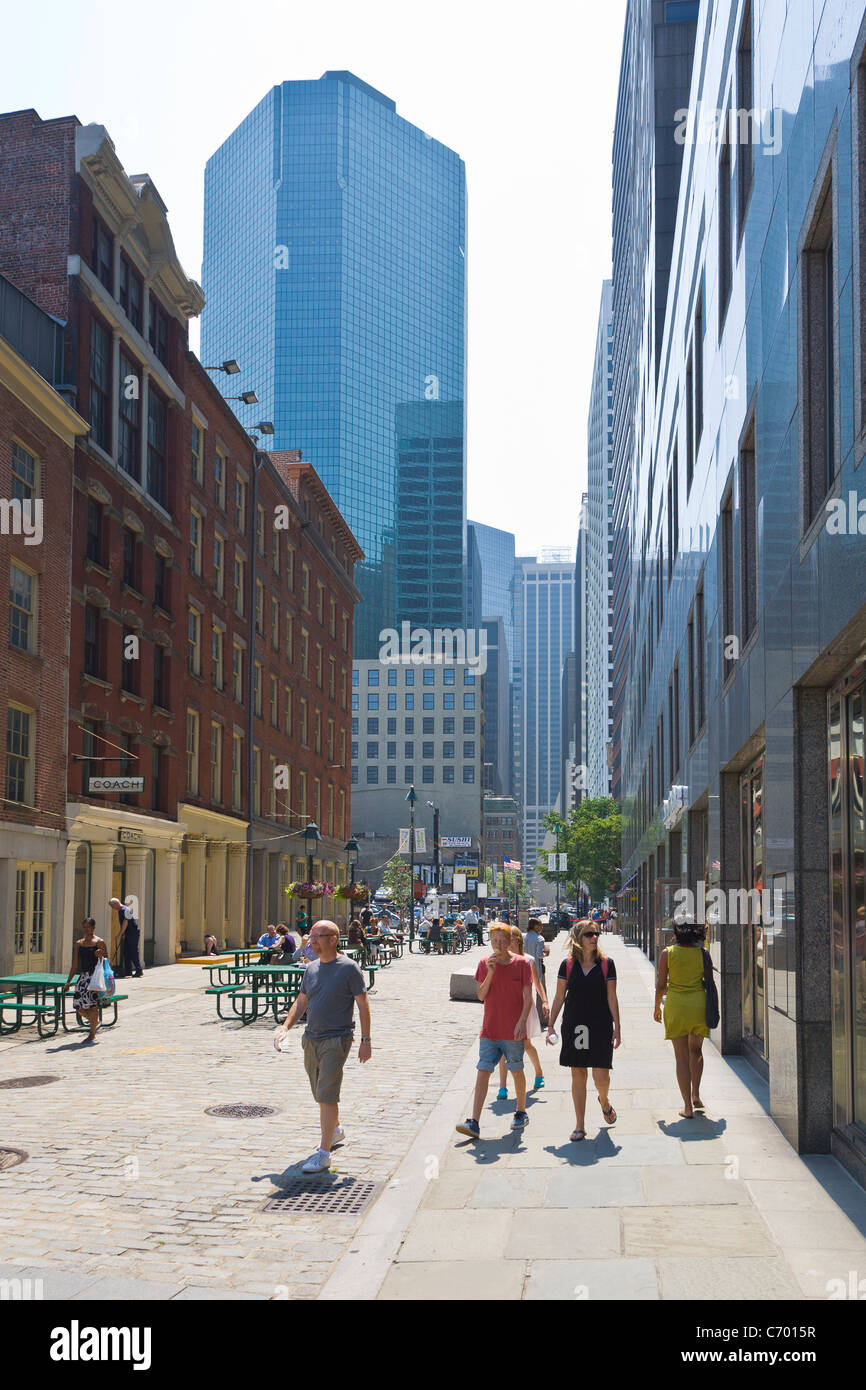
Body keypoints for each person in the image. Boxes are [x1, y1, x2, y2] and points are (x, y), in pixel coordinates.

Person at [273, 920, 371, 1175]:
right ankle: (335, 1130)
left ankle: (324, 1154)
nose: (312, 941)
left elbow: (362, 1004)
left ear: (333, 939)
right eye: (312, 936)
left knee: (327, 1094)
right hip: (311, 1038)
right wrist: (285, 1027)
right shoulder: (311, 969)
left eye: (318, 936)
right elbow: (301, 1001)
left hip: (337, 1038)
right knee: (319, 1092)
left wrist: (365, 1040)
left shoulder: (349, 968)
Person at [456, 922, 532, 1139]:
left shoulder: (521, 964)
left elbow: (528, 997)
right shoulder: (484, 963)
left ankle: (520, 1111)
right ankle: (474, 1121)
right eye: (494, 940)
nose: (498, 944)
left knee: (516, 1069)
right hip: (490, 1029)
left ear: (509, 942)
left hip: (513, 1030)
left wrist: (522, 1021)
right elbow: (481, 996)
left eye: (501, 940)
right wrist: (490, 972)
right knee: (483, 1070)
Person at [547, 919, 621, 1142]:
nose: (594, 937)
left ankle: (604, 1101)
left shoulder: (607, 964)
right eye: (589, 934)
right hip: (576, 1025)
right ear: (578, 938)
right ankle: (580, 1125)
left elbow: (612, 996)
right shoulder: (567, 965)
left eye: (596, 933)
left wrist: (617, 1027)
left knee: (601, 1075)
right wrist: (550, 1024)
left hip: (600, 1024)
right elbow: (560, 997)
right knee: (578, 1072)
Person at [654, 916, 709, 1117]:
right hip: (698, 1004)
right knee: (696, 1050)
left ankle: (687, 1107)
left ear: (677, 933)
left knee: (681, 1057)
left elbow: (661, 984)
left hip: (676, 1005)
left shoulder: (667, 954)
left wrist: (656, 1007)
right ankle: (696, 1094)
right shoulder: (702, 953)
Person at [497, 926, 549, 1098]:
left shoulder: (528, 960)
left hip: (524, 1007)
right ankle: (502, 1087)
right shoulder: (501, 960)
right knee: (504, 1047)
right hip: (506, 1008)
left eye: (509, 939)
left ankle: (539, 1072)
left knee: (526, 1045)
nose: (505, 943)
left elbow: (537, 981)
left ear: (517, 940)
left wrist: (545, 1001)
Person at [62, 917, 108, 1043]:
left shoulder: (99, 942)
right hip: (83, 978)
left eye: (88, 927)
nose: (86, 929)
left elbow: (106, 962)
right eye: (84, 927)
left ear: (93, 927)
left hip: (95, 978)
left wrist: (100, 956)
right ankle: (94, 1022)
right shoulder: (79, 944)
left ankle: (92, 1033)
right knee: (79, 1006)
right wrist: (68, 982)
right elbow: (75, 965)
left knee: (92, 1007)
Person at [110, 897, 142, 978]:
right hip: (128, 933)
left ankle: (139, 970)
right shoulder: (121, 910)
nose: (112, 908)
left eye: (112, 906)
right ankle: (128, 972)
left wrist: (119, 934)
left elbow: (125, 923)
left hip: (132, 932)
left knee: (133, 951)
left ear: (116, 904)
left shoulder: (125, 910)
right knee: (126, 952)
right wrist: (123, 933)